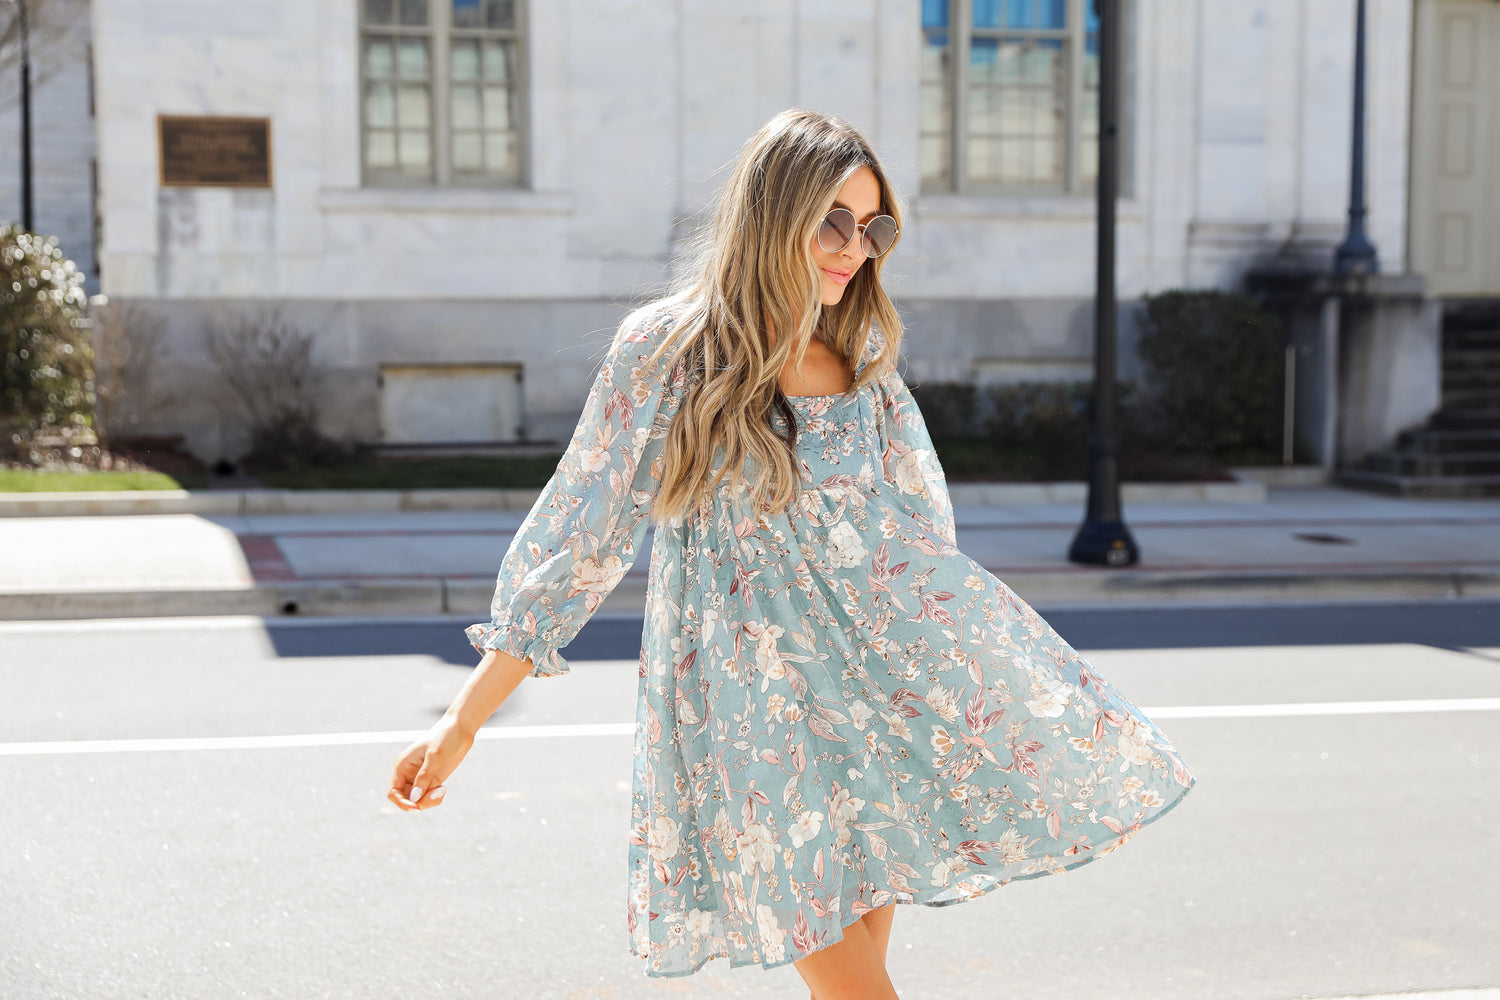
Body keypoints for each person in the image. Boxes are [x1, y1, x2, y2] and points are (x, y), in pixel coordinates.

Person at [386, 108, 1196, 998]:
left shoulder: (863, 362)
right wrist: (463, 719)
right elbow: (580, 533)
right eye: (834, 221)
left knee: (850, 988)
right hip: (749, 725)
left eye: (876, 227)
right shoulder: (669, 352)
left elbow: (924, 545)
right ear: (774, 214)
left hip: (867, 706)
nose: (857, 247)